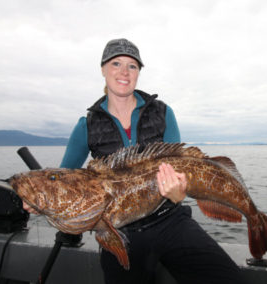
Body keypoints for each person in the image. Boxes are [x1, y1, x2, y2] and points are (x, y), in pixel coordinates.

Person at [26, 38, 245, 284]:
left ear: (139, 72)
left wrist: (179, 190)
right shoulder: (85, 126)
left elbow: (180, 166)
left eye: (132, 66)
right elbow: (65, 179)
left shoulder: (163, 112)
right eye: (116, 63)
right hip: (119, 234)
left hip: (171, 221)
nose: (124, 72)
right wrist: (40, 200)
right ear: (102, 69)